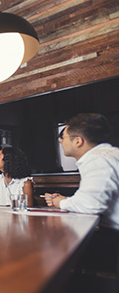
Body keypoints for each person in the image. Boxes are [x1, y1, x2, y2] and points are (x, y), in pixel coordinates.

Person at [45, 113, 119, 283]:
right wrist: (67, 199)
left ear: (78, 141)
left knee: (53, 250)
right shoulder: (107, 155)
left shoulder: (98, 159)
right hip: (110, 234)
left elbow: (91, 205)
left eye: (63, 137)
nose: (61, 142)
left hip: (114, 239)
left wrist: (60, 202)